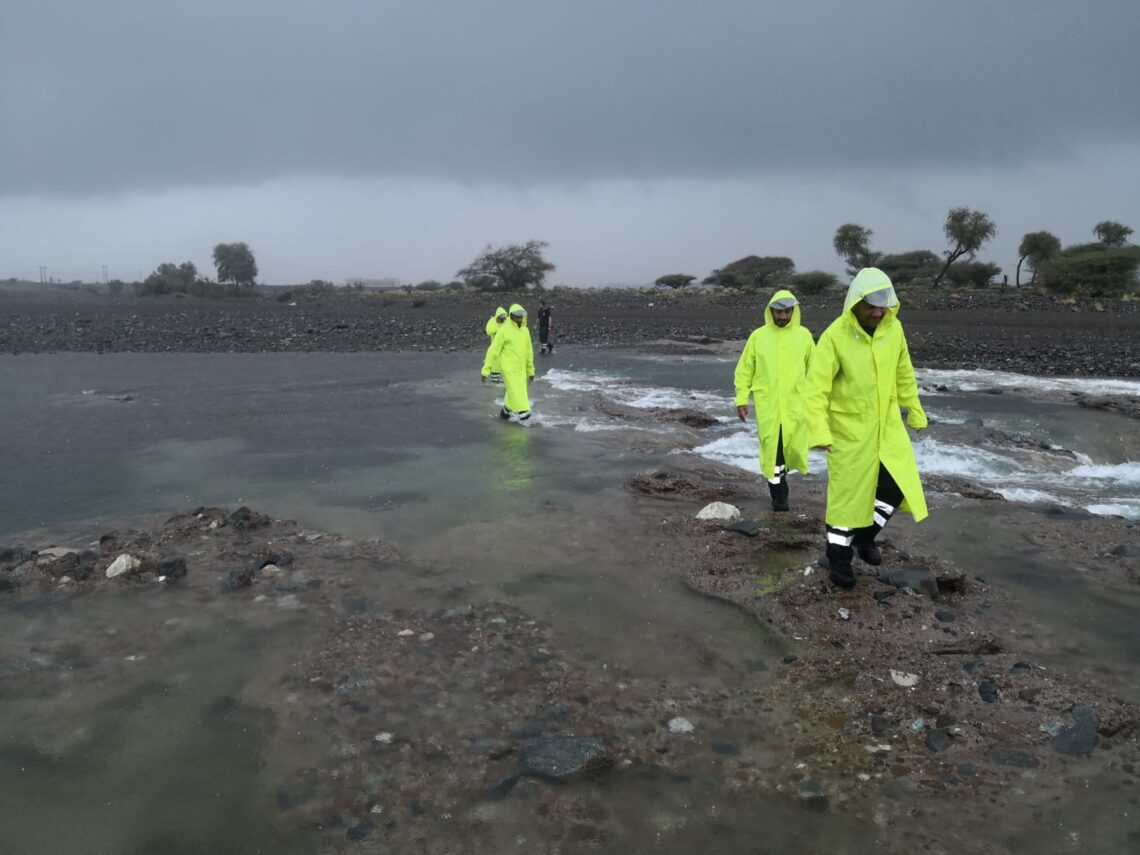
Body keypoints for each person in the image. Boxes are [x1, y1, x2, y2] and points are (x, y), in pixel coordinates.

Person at [803, 267, 928, 590]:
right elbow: (815, 388)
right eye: (871, 305)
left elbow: (904, 372)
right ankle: (838, 559)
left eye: (882, 305)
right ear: (855, 302)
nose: (877, 312)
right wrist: (819, 431)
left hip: (886, 427)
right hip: (848, 431)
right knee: (847, 499)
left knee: (896, 486)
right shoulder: (835, 336)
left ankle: (865, 537)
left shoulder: (893, 329)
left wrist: (914, 410)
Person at [733, 289, 814, 511]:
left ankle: (781, 488)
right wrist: (742, 399)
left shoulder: (804, 336)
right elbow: (744, 371)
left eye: (787, 312)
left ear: (793, 311)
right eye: (779, 312)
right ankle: (779, 499)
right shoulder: (758, 337)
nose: (783, 317)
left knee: (791, 450)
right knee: (773, 452)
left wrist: (820, 405)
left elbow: (815, 372)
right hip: (768, 407)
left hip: (796, 407)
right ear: (771, 311)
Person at [482, 303, 535, 422]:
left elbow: (529, 352)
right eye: (517, 317)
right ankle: (526, 420)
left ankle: (504, 414)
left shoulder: (525, 331)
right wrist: (485, 370)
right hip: (509, 369)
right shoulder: (503, 331)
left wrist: (530, 371)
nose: (519, 319)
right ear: (510, 316)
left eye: (521, 317)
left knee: (514, 394)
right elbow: (493, 351)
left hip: (521, 370)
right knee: (520, 396)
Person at [484, 306, 508, 382]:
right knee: (494, 362)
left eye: (504, 317)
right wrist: (499, 329)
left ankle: (504, 378)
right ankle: (495, 379)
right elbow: (489, 331)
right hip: (495, 346)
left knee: (505, 362)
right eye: (501, 317)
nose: (503, 319)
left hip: (505, 346)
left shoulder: (506, 322)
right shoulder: (492, 321)